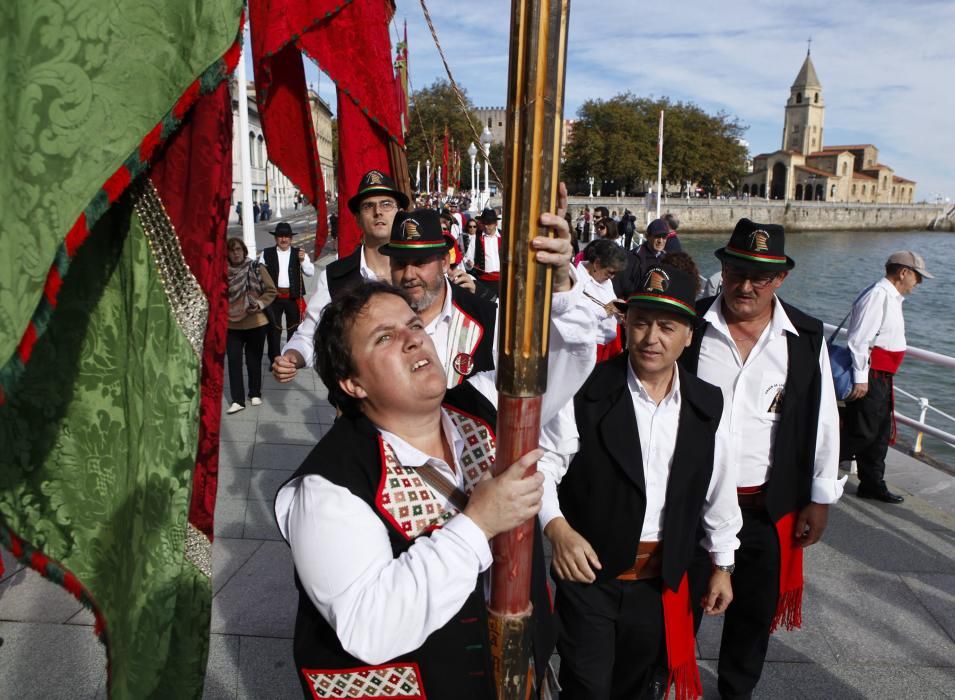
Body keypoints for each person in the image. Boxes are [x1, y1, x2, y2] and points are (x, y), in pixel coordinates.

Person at [274, 192, 597, 698]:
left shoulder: (482, 401)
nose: (412, 340)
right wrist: (477, 525)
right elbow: (369, 624)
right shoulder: (326, 489)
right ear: (351, 383)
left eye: (414, 326)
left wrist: (560, 283)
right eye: (383, 339)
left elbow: (570, 357)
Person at [540, 263, 741, 699]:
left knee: (639, 688)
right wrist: (557, 529)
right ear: (624, 324)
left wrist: (722, 566)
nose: (652, 339)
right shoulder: (586, 390)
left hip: (661, 579)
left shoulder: (707, 404)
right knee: (587, 687)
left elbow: (719, 489)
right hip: (590, 574)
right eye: (642, 323)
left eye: (667, 326)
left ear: (689, 335)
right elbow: (544, 464)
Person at [680, 218, 844, 699]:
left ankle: (736, 693)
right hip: (690, 506)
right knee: (676, 612)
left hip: (765, 509)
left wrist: (821, 497)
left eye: (761, 277)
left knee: (752, 620)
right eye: (736, 272)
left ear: (781, 279)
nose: (746, 286)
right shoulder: (688, 325)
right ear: (723, 269)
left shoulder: (806, 338)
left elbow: (824, 421)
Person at [272, 169, 409, 382]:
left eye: (386, 204)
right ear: (357, 219)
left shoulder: (417, 271)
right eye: (368, 206)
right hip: (357, 403)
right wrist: (291, 357)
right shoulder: (336, 276)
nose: (378, 212)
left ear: (399, 212)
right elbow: (309, 335)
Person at [841, 251, 932, 504]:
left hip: (882, 374)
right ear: (903, 272)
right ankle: (811, 470)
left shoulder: (890, 296)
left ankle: (872, 483)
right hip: (872, 373)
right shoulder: (878, 296)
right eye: (917, 276)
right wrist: (861, 378)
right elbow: (859, 340)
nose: (919, 282)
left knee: (878, 434)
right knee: (862, 432)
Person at [382, 208, 497, 387]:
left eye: (420, 262)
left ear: (444, 262)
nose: (408, 274)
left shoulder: (488, 318)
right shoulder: (378, 321)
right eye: (400, 263)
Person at [226, 238, 277, 414]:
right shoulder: (223, 272)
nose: (236, 253)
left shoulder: (255, 267)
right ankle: (237, 400)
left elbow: (271, 290)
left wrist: (260, 304)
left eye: (239, 249)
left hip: (256, 322)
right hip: (231, 324)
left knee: (253, 360)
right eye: (232, 250)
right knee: (233, 361)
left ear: (244, 250)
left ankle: (255, 393)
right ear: (227, 253)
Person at [259, 221, 315, 367]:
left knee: (294, 328)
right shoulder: (266, 253)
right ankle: (274, 359)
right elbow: (259, 274)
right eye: (280, 236)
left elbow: (310, 272)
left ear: (291, 239)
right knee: (273, 330)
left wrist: (302, 261)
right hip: (274, 298)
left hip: (293, 296)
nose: (283, 240)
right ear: (275, 238)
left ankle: (290, 360)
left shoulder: (299, 253)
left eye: (287, 237)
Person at [576, 238, 626, 362]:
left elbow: (610, 310)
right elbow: (579, 317)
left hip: (609, 344)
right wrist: (609, 309)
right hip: (589, 347)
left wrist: (620, 314)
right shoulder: (576, 280)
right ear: (597, 264)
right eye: (610, 272)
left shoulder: (606, 280)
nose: (612, 277)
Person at [614, 218, 670, 300]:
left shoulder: (668, 259)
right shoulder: (632, 258)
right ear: (647, 236)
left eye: (664, 237)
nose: (660, 241)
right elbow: (622, 286)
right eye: (657, 236)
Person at [467, 208, 503, 297]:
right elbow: (469, 257)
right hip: (483, 280)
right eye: (484, 223)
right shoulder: (476, 237)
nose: (486, 226)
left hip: (501, 280)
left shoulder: (503, 236)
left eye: (489, 224)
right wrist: (469, 263)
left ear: (496, 224)